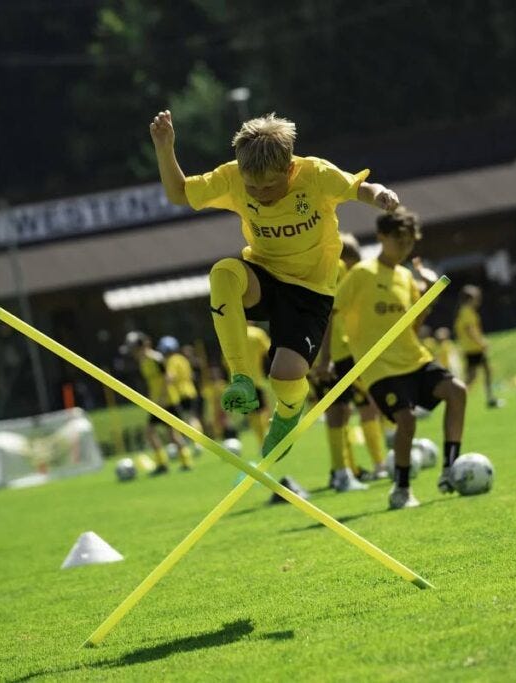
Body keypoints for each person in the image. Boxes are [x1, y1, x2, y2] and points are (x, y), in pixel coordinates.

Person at [149, 110, 399, 458]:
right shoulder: (233, 177)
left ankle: (288, 412)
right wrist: (165, 147)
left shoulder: (315, 174)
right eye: (253, 187)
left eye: (269, 186)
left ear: (290, 168)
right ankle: (242, 379)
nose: (260, 194)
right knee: (223, 272)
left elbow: (359, 187)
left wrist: (381, 196)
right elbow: (179, 194)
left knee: (285, 379)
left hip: (311, 292)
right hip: (264, 275)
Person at [333, 208, 468, 510]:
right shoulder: (361, 274)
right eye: (399, 241)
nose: (405, 247)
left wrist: (427, 299)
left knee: (457, 391)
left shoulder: (406, 277)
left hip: (413, 358)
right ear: (382, 237)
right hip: (379, 366)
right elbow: (332, 312)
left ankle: (449, 469)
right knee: (405, 421)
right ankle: (402, 489)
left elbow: (413, 326)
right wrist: (324, 359)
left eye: (410, 242)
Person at [312, 233, 388, 493]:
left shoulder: (314, 266)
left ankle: (344, 472)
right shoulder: (338, 268)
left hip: (320, 351)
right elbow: (330, 314)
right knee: (363, 406)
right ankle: (377, 465)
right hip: (339, 352)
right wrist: (326, 358)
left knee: (339, 411)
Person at [122, 332, 193, 473]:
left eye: (134, 348)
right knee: (151, 431)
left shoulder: (156, 358)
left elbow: (168, 378)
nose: (133, 352)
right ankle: (162, 463)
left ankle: (185, 461)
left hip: (168, 401)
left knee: (172, 434)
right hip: (156, 402)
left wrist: (162, 397)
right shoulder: (143, 362)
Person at [454, 285, 501, 408]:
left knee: (483, 373)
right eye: (476, 297)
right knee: (473, 377)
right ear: (470, 298)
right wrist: (481, 342)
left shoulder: (466, 311)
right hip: (473, 349)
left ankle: (489, 398)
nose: (478, 300)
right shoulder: (466, 311)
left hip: (472, 348)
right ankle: (456, 398)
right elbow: (469, 330)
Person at [158, 336, 206, 453]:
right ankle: (199, 441)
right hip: (191, 390)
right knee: (193, 417)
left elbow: (170, 376)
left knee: (188, 419)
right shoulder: (182, 358)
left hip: (182, 393)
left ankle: (197, 442)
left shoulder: (171, 360)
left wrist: (163, 393)